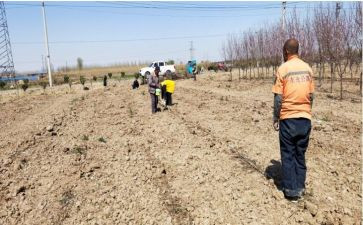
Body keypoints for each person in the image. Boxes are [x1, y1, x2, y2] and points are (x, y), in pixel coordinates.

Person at [272, 38, 315, 202]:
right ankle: (300, 186)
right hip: (305, 119)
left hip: (288, 119)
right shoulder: (308, 69)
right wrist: (307, 112)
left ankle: (291, 191)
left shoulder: (283, 69)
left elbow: (278, 99)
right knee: (300, 154)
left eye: (283, 51)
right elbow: (311, 96)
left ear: (287, 51)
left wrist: (276, 117)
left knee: (288, 154)